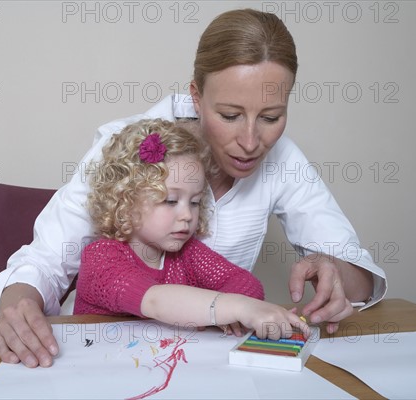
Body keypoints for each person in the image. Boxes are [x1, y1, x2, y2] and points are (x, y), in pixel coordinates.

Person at [0, 9, 388, 368]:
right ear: (196, 97)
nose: (251, 141)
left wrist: (335, 271)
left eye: (270, 117)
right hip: (106, 360)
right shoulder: (126, 148)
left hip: (202, 362)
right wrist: (17, 302)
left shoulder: (284, 159)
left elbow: (359, 276)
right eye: (230, 115)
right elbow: (46, 261)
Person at [74, 118, 307, 340]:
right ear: (126, 201)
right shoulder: (101, 258)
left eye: (195, 202)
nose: (187, 215)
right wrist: (232, 307)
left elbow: (245, 282)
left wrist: (237, 309)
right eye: (171, 201)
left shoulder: (187, 253)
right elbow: (155, 301)